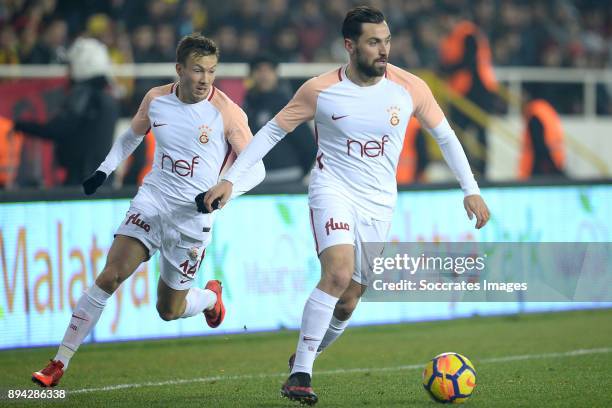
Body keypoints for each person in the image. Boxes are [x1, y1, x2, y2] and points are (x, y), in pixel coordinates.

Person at [203, 6, 490, 405]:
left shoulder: (410, 88)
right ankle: (301, 374)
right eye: (374, 42)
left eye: (387, 40)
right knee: (336, 273)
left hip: (379, 202)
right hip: (332, 189)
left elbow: (446, 136)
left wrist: (470, 188)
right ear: (350, 45)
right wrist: (231, 179)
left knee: (351, 296)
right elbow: (271, 133)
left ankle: (307, 352)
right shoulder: (319, 90)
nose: (383, 49)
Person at [31, 33, 265, 388]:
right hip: (152, 202)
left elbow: (256, 167)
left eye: (211, 71)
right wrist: (104, 169)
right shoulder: (156, 99)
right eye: (197, 70)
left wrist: (227, 188)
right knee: (110, 276)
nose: (205, 79)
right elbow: (132, 135)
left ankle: (207, 298)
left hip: (192, 219)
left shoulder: (228, 112)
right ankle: (58, 362)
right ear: (179, 69)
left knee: (168, 310)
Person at [12, 37, 119, 186]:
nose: (68, 72)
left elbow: (57, 129)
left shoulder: (83, 94)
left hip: (80, 180)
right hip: (104, 181)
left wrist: (22, 125)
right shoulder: (109, 97)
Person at [243, 54, 316, 184]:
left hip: (288, 177)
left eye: (268, 70)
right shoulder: (246, 109)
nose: (264, 75)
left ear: (276, 74)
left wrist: (298, 171)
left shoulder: (289, 106)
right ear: (251, 75)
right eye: (259, 70)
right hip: (256, 181)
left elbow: (309, 146)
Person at [440, 19, 498, 178]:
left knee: (477, 132)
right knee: (461, 132)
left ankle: (479, 170)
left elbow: (468, 60)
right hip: (463, 93)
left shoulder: (467, 34)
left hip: (476, 91)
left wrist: (448, 70)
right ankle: (469, 169)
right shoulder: (453, 38)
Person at [518, 97, 565, 179]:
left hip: (540, 168)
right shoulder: (545, 111)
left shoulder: (535, 116)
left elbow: (539, 145)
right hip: (554, 163)